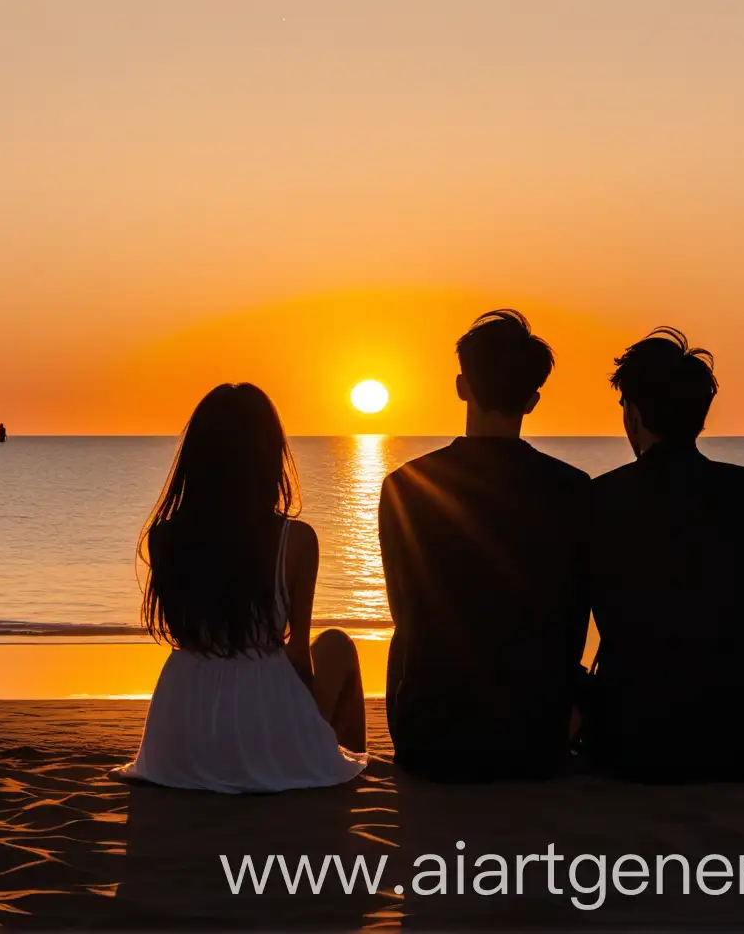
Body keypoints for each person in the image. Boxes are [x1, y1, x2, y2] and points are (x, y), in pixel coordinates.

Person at [378, 309, 594, 780]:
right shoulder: (575, 490)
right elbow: (577, 614)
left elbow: (403, 608)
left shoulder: (405, 485)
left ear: (462, 385)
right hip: (536, 740)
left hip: (431, 739)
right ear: (533, 400)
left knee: (406, 636)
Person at [121, 382, 367, 793]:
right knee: (338, 646)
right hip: (257, 706)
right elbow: (297, 653)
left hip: (180, 725)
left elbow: (182, 632)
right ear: (269, 455)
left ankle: (322, 762)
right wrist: (299, 721)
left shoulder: (164, 537)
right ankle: (336, 773)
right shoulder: (296, 541)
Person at [578, 327, 744, 782]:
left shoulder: (602, 496)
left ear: (633, 412)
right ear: (700, 416)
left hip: (634, 743)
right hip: (741, 741)